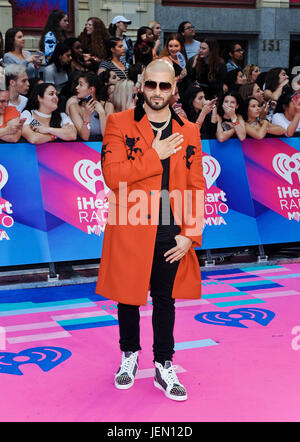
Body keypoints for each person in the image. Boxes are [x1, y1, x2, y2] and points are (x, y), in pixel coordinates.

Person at [95, 59, 205, 402]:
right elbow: (112, 177)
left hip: (172, 230)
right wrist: (154, 155)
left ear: (174, 90)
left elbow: (197, 185)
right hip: (131, 226)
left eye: (165, 86)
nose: (157, 92)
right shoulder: (118, 123)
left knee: (165, 300)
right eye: (151, 85)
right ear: (141, 85)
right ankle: (129, 355)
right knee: (127, 297)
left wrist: (191, 234)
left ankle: (163, 362)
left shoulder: (189, 130)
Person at [68, 72, 106, 141]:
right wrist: (87, 116)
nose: (76, 87)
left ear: (91, 89)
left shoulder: (107, 105)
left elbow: (107, 136)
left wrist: (102, 113)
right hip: (87, 147)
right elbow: (85, 137)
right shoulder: (74, 107)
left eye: (81, 85)